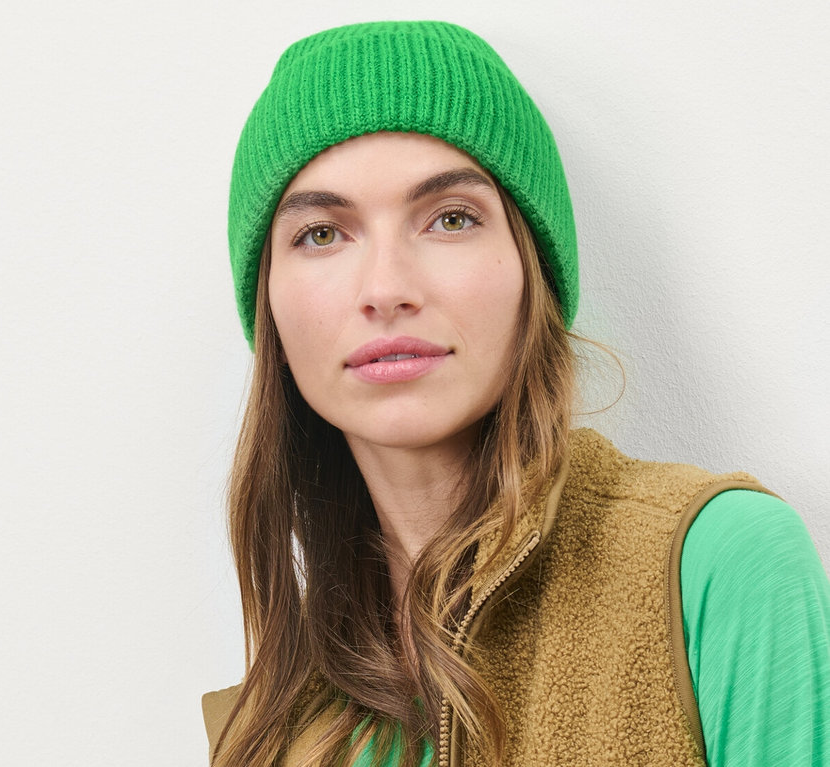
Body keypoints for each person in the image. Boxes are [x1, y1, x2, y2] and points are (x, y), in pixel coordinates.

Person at [203, 20, 829, 767]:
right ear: (270, 306)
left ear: (533, 271)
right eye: (321, 234)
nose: (386, 287)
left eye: (451, 219)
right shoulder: (273, 726)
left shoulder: (718, 564)